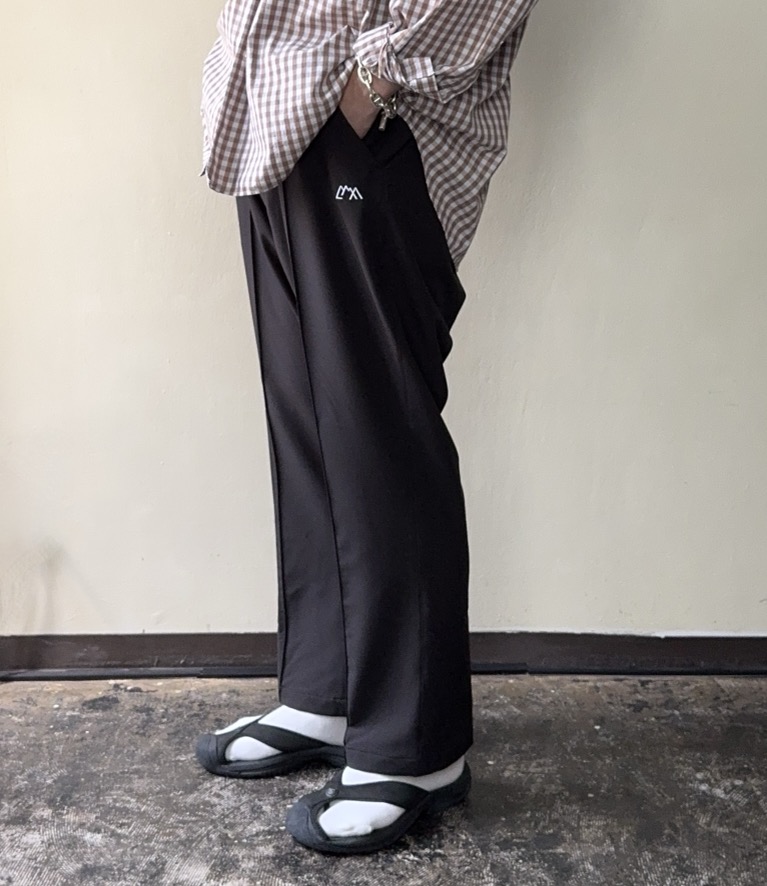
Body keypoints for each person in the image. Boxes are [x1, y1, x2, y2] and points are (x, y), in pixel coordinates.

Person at [195, 0, 540, 855]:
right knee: (310, 427)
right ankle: (330, 691)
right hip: (274, 120)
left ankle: (416, 748)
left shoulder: (368, 102)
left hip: (370, 118)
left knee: (378, 436)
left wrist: (367, 87)